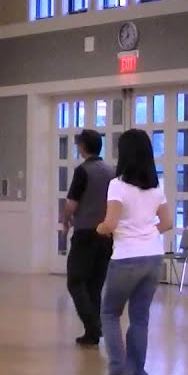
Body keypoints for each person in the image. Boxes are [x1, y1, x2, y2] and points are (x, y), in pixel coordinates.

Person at [97, 129, 173, 375]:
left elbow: (110, 224)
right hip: (153, 256)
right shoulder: (156, 187)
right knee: (140, 318)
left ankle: (118, 364)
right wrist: (147, 233)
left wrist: (99, 229)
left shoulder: (118, 185)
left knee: (110, 313)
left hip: (125, 257)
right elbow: (167, 222)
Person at [62, 129, 113, 347]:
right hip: (106, 235)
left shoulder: (82, 171)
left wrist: (65, 220)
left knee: (75, 281)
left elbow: (71, 204)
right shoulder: (112, 172)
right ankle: (92, 332)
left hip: (85, 233)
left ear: (82, 146)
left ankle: (93, 326)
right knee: (95, 285)